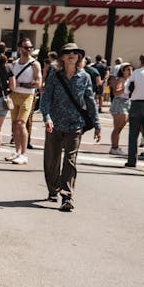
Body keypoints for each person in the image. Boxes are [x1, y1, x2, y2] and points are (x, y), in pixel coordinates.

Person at [39, 43, 101, 212]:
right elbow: (45, 99)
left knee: (70, 160)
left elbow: (90, 101)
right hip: (55, 124)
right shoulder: (54, 75)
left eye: (75, 52)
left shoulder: (85, 76)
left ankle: (67, 196)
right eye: (67, 52)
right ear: (62, 57)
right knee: (52, 160)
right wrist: (47, 117)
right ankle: (53, 189)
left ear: (79, 56)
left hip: (75, 124)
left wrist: (97, 124)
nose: (71, 54)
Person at [7, 37, 41, 165]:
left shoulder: (34, 64)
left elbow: (38, 82)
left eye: (30, 47)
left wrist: (22, 84)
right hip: (14, 95)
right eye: (26, 47)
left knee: (21, 123)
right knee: (15, 124)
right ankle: (17, 151)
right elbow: (9, 80)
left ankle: (24, 154)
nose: (28, 50)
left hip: (27, 97)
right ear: (20, 48)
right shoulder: (15, 64)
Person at [108, 62, 133, 156]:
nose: (130, 72)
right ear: (123, 71)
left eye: (131, 70)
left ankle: (115, 146)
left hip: (126, 102)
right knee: (118, 127)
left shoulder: (129, 80)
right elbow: (116, 92)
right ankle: (114, 147)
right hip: (120, 102)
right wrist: (126, 88)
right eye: (128, 70)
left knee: (119, 127)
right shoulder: (121, 80)